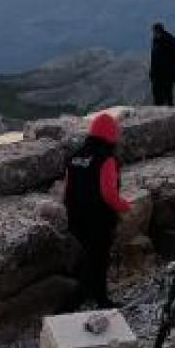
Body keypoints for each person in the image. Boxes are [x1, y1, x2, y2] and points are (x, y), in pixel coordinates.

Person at [64, 112, 131, 310]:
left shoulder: (75, 156)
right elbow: (108, 193)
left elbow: (67, 188)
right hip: (98, 219)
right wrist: (124, 206)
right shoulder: (107, 159)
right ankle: (66, 309)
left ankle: (99, 297)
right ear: (111, 134)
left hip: (75, 217)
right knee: (97, 262)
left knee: (91, 257)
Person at [149, 22, 175, 106]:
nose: (153, 34)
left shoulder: (168, 43)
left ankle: (167, 112)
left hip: (166, 73)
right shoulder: (157, 41)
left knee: (166, 93)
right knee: (159, 93)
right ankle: (161, 111)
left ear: (158, 31)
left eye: (154, 32)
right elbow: (154, 59)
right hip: (158, 73)